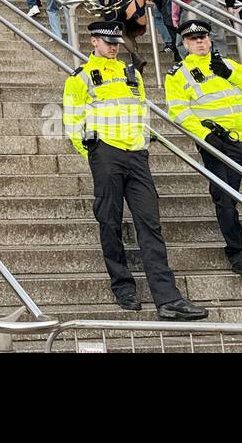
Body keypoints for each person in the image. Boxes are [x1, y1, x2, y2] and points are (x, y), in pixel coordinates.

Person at [62, 21, 208, 319]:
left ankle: (168, 299)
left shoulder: (133, 74)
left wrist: (142, 144)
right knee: (110, 220)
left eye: (116, 41)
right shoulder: (80, 77)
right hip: (106, 154)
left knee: (150, 224)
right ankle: (123, 285)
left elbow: (142, 110)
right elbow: (72, 120)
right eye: (107, 41)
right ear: (94, 42)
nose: (114, 46)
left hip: (136, 154)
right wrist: (91, 152)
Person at [165, 17, 242, 276]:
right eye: (194, 39)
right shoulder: (178, 75)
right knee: (226, 201)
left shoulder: (227, 64)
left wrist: (229, 73)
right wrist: (206, 137)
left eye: (203, 37)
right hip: (216, 144)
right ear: (184, 44)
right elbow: (179, 111)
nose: (200, 42)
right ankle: (238, 253)